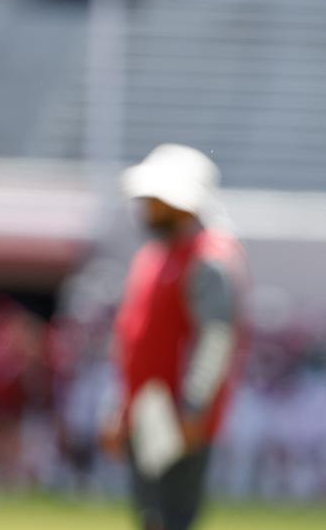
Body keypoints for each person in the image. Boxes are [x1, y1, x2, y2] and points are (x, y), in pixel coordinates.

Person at [101, 144, 249, 530]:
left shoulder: (208, 258)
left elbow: (216, 339)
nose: (146, 207)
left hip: (175, 413)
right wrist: (121, 404)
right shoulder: (154, 255)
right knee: (151, 516)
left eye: (155, 199)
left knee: (170, 517)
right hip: (147, 409)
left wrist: (193, 407)